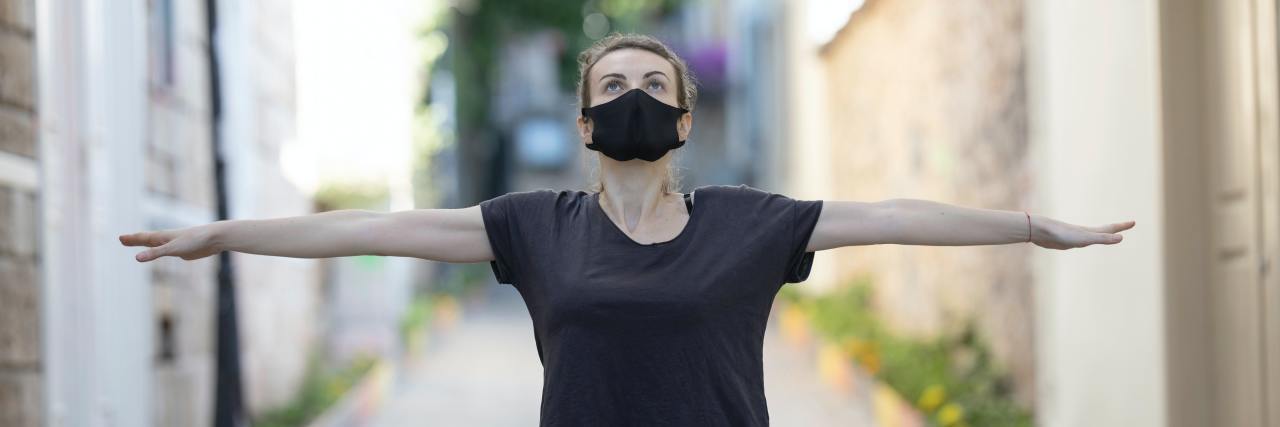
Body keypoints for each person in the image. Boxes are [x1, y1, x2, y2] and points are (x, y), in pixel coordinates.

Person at [119, 33, 1133, 426]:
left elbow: (896, 215)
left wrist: (1032, 224)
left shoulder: (750, 223)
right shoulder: (531, 228)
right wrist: (225, 233)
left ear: (685, 119)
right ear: (584, 121)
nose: (635, 98)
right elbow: (377, 228)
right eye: (615, 87)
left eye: (655, 85)